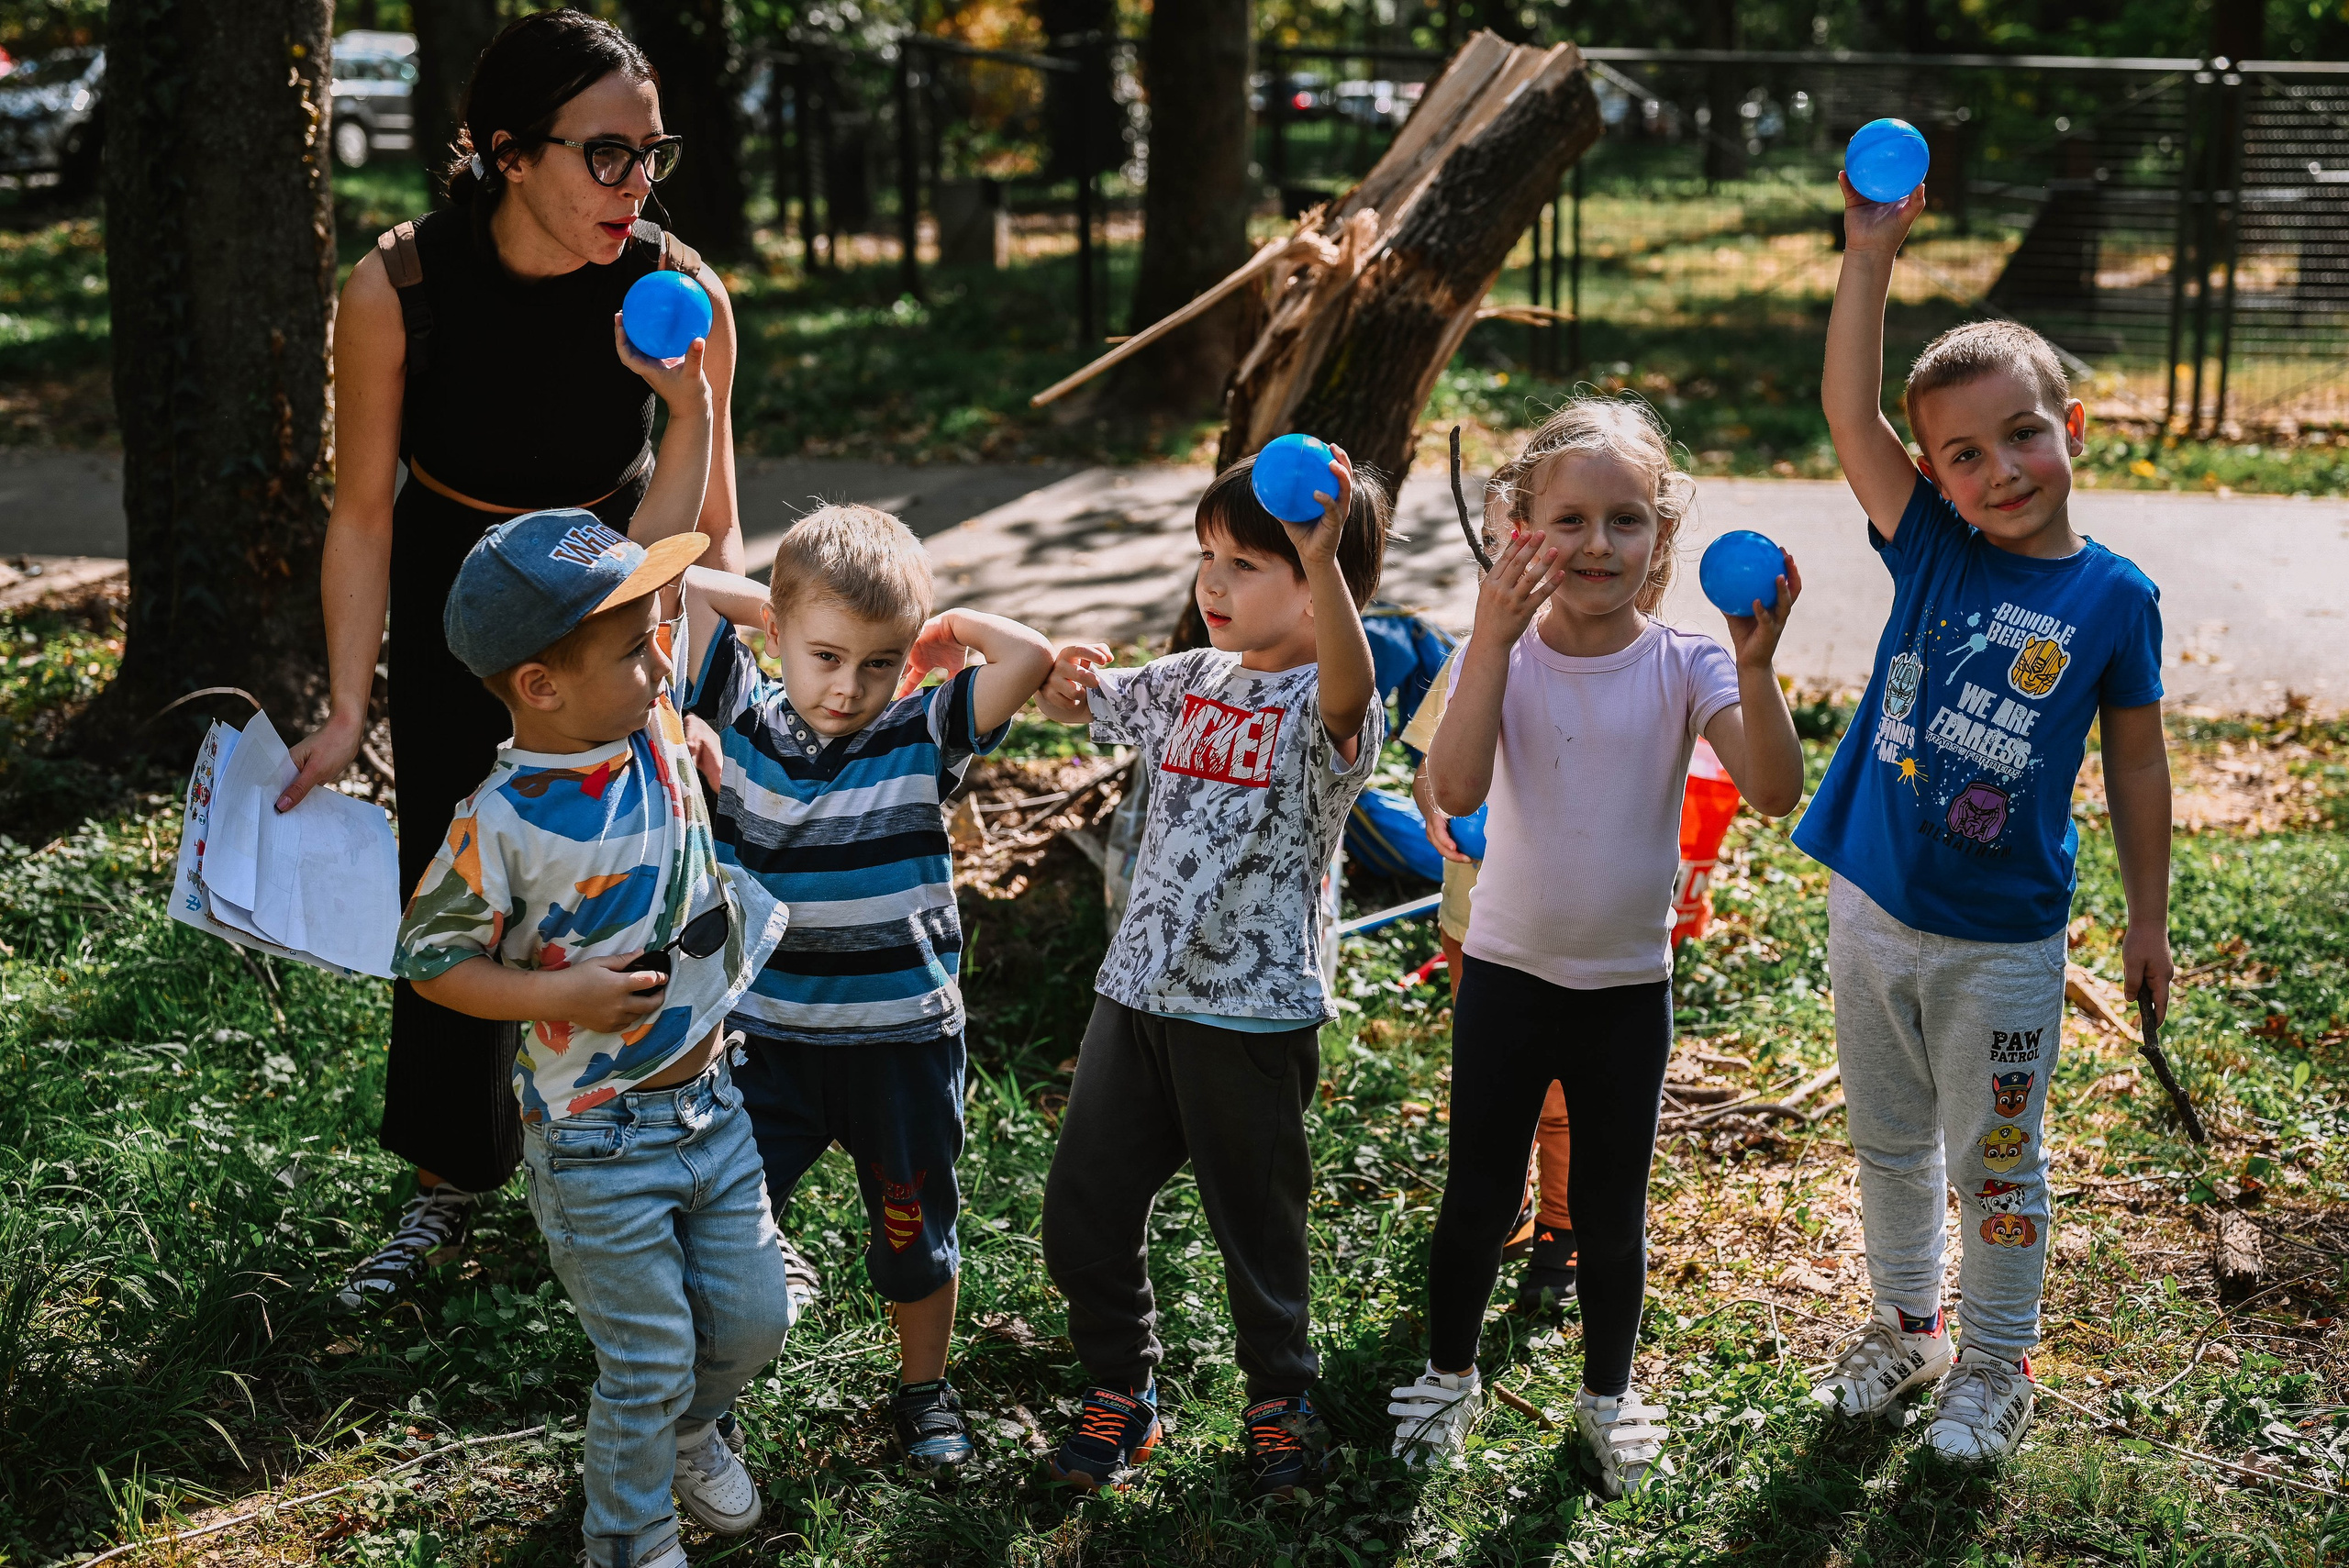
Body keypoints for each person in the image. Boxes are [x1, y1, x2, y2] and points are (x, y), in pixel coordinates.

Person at [277, 8, 759, 1314]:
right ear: (506, 153)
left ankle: (691, 1175)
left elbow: (709, 523)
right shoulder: (399, 288)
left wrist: (691, 691)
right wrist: (346, 708)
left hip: (620, 588)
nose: (637, 184)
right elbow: (364, 513)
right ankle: (449, 1180)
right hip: (452, 600)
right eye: (607, 154)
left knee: (645, 875)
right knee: (450, 869)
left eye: (651, 152)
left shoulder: (678, 288)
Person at [1799, 177, 2171, 1462]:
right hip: (1873, 913)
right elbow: (1848, 410)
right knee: (1892, 1145)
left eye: (2021, 435)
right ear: (1934, 478)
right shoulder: (1933, 548)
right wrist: (1868, 257)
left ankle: (1997, 1368)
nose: (1998, 470)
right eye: (1962, 453)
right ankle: (1910, 1328)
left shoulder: (2117, 599)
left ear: (2071, 425)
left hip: (2005, 940)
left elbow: (2135, 764)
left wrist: (2150, 919)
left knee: (1998, 1163)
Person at [1395, 399, 1806, 1497]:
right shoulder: (1507, 654)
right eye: (1568, 519)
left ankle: (1606, 1394)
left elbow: (1772, 791)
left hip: (1627, 989)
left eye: (1625, 521)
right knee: (1477, 1194)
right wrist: (1486, 638)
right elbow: (1461, 785)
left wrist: (1756, 666)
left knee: (1613, 1212)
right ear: (1517, 529)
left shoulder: (1684, 661)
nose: (1595, 545)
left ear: (1660, 541)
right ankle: (1448, 1373)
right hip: (1506, 976)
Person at [392, 506, 793, 1568]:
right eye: (637, 645)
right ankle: (627, 1534)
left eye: (658, 628)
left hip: (715, 1105)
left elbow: (669, 583)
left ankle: (691, 1429)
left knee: (755, 1322)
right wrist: (555, 991)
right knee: (649, 1356)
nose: (665, 657)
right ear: (540, 686)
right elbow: (431, 961)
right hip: (596, 1137)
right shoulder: (503, 819)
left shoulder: (648, 728)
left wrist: (694, 402)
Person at [1032, 450, 1389, 1500]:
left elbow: (1350, 679)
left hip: (1252, 1013)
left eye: (1245, 562)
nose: (1214, 584)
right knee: (1082, 1209)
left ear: (1325, 580)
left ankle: (1279, 1399)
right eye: (1206, 557)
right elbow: (1078, 701)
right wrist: (1043, 665)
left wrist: (1322, 563)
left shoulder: (1332, 710)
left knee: (1256, 1230)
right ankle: (1121, 1387)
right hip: (1135, 993)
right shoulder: (1192, 679)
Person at [672, 506, 1055, 1478]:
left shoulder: (920, 729)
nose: (848, 686)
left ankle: (923, 1387)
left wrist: (950, 629)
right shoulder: (741, 716)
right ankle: (706, 1401)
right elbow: (669, 586)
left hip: (901, 1048)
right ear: (779, 641)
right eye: (826, 655)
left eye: (877, 661)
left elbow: (1031, 656)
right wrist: (773, 606)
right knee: (721, 1226)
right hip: (765, 1045)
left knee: (914, 1229)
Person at [1403, 648, 1576, 1311]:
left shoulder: (1604, 663)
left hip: (1562, 928)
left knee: (1561, 1094)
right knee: (1492, 1082)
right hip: (1472, 924)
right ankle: (1514, 1203)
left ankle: (1564, 1228)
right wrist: (1435, 805)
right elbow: (1429, 769)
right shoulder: (1471, 658)